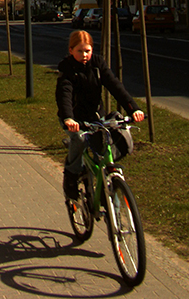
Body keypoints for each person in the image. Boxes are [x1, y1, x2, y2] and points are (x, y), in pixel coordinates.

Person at [55, 29, 144, 200]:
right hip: (75, 119)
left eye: (87, 50)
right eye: (79, 51)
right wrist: (69, 118)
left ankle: (110, 202)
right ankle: (71, 177)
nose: (84, 55)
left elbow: (114, 85)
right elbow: (64, 94)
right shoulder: (66, 68)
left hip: (96, 118)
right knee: (79, 139)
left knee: (107, 149)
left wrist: (133, 108)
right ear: (71, 50)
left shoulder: (97, 64)